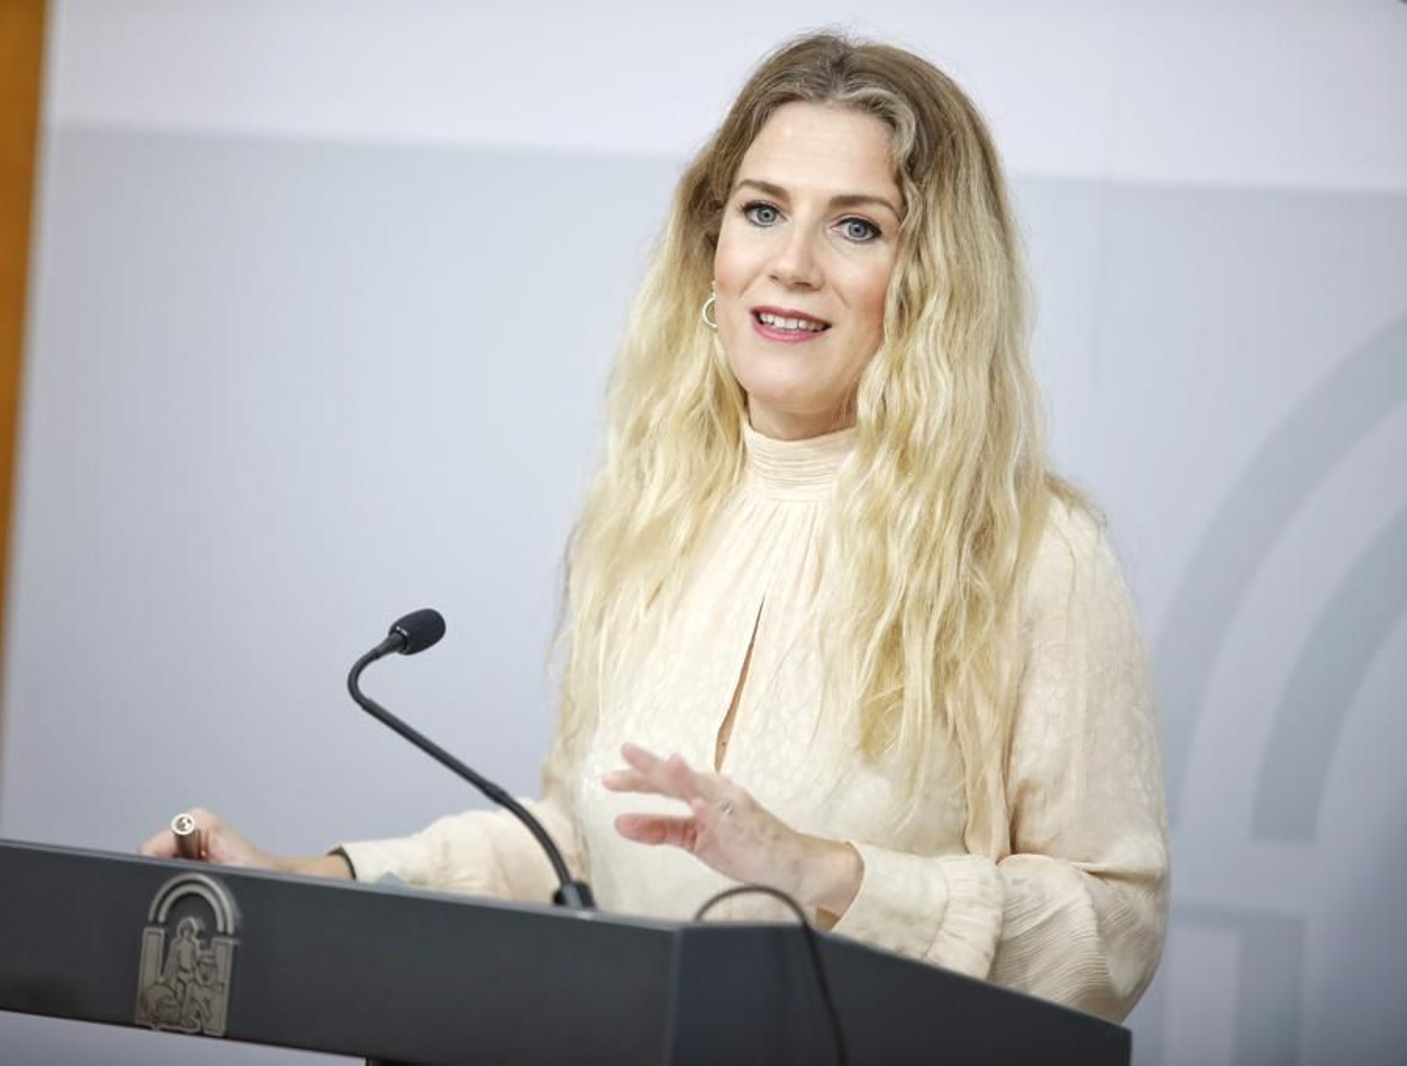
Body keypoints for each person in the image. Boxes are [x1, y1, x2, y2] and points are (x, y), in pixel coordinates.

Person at [142, 32, 1168, 1022]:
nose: (792, 263)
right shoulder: (645, 519)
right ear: (709, 247)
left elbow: (1113, 928)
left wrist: (830, 874)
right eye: (762, 211)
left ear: (934, 278)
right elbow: (578, 847)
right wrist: (313, 879)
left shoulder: (1036, 555)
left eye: (856, 226)